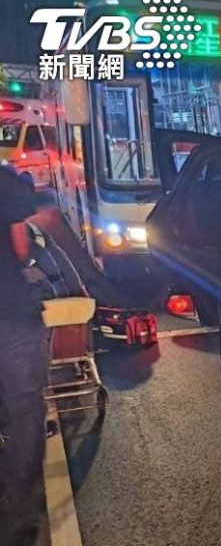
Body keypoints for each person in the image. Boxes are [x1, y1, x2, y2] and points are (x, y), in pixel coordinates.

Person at [0, 164, 47, 546]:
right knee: (25, 410)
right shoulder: (6, 184)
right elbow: (20, 248)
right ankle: (18, 516)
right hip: (9, 311)